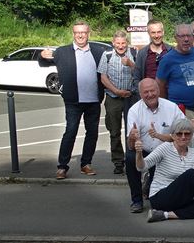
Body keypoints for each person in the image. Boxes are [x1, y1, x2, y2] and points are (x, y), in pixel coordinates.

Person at [40, 20, 107, 180]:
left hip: (93, 101)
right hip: (73, 101)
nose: (80, 35)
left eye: (83, 32)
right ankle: (62, 167)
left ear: (88, 33)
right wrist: (42, 56)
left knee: (92, 133)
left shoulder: (98, 51)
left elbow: (106, 71)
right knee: (70, 131)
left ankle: (86, 164)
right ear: (73, 34)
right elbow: (43, 63)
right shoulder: (62, 52)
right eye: (77, 32)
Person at [125, 78, 185, 213]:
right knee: (129, 157)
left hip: (165, 150)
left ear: (158, 90)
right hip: (143, 150)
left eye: (152, 90)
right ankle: (136, 200)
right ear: (140, 94)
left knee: (156, 200)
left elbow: (183, 131)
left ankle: (150, 188)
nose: (150, 94)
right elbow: (130, 145)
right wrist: (132, 137)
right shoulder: (134, 110)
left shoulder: (171, 107)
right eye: (146, 92)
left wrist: (160, 136)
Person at [97, 30, 136, 175]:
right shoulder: (106, 55)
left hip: (130, 97)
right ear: (113, 43)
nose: (120, 46)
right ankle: (118, 161)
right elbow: (103, 77)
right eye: (118, 43)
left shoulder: (134, 53)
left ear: (127, 43)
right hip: (113, 97)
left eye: (123, 43)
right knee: (114, 131)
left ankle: (132, 160)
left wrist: (131, 64)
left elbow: (139, 73)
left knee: (132, 131)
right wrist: (116, 91)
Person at [156, 24, 194, 118]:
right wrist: (166, 107)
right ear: (175, 38)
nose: (186, 39)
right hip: (181, 111)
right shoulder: (167, 60)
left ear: (193, 37)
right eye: (182, 36)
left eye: (189, 35)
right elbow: (160, 84)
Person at [132, 20, 173, 93]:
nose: (156, 36)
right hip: (149, 96)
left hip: (170, 95)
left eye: (159, 32)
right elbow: (136, 77)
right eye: (153, 32)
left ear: (163, 32)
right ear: (148, 33)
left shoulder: (172, 51)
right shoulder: (142, 53)